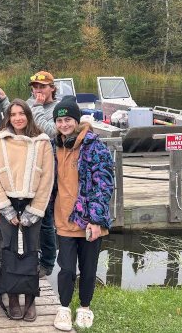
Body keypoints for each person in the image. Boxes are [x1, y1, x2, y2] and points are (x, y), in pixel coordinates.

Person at [0, 99, 54, 322]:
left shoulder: (42, 142)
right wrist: (5, 208)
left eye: (21, 113)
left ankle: (31, 299)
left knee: (31, 252)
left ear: (28, 115)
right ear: (8, 117)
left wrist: (34, 210)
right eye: (13, 114)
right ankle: (13, 298)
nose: (17, 118)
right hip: (8, 203)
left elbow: (47, 179)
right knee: (9, 251)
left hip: (33, 203)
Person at [51, 96, 114, 331]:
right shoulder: (53, 145)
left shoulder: (95, 146)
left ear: (76, 120)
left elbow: (104, 184)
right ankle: (64, 308)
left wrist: (97, 220)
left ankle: (85, 308)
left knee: (88, 269)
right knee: (66, 269)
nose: (64, 124)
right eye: (60, 120)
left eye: (68, 119)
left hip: (89, 222)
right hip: (63, 219)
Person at [0, 70, 58, 277]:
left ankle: (47, 262)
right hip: (26, 172)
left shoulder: (55, 108)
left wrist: (38, 107)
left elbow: (49, 131)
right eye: (35, 87)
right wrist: (4, 99)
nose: (38, 90)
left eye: (42, 86)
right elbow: (16, 118)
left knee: (46, 218)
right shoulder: (29, 104)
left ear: (52, 88)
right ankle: (20, 262)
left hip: (49, 168)